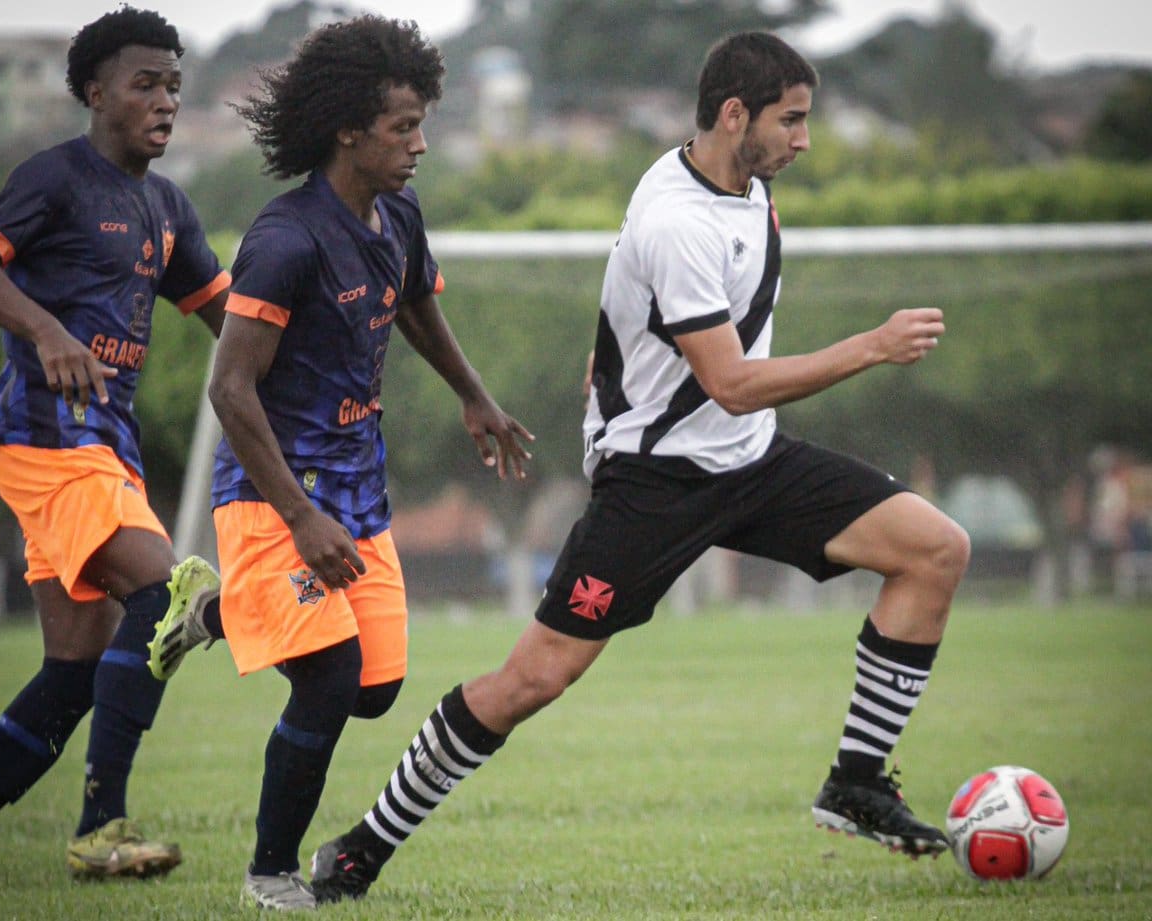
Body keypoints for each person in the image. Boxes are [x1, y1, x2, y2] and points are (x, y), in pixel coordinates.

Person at [306, 31, 972, 904]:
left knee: (936, 549)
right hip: (656, 483)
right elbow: (730, 383)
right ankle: (362, 845)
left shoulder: (744, 181)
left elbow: (641, 308)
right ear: (736, 115)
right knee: (532, 680)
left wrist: (613, 359)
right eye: (793, 119)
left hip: (751, 461)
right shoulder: (677, 219)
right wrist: (872, 347)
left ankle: (855, 781)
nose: (804, 139)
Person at [191, 15, 532, 911]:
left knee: (375, 690)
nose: (420, 144)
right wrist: (300, 519)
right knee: (331, 675)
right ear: (348, 129)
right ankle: (270, 870)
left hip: (355, 489)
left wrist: (475, 394)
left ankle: (221, 609)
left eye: (422, 125)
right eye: (403, 128)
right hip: (274, 499)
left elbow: (414, 300)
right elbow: (231, 391)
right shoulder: (284, 237)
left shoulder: (399, 211)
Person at [0, 7, 228, 882]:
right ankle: (102, 827)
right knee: (169, 593)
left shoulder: (165, 206)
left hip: (106, 449)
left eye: (174, 85)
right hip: (44, 440)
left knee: (75, 670)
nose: (164, 100)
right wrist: (46, 332)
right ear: (95, 91)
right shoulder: (55, 179)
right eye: (145, 83)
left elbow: (232, 316)